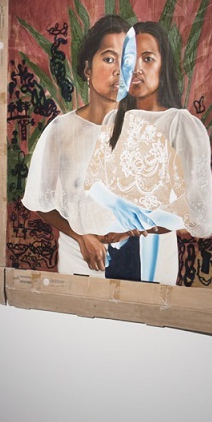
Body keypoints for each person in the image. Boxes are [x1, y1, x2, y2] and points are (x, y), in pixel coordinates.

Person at [84, 20, 212, 283]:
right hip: (110, 251)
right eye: (130, 59)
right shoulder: (113, 122)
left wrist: (132, 228)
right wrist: (114, 209)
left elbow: (195, 209)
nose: (136, 69)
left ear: (163, 65)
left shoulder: (181, 124)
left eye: (148, 59)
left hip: (154, 252)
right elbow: (91, 184)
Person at [20, 15, 131, 275]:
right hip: (79, 258)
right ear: (87, 70)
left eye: (126, 60)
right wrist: (81, 236)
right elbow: (39, 200)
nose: (118, 70)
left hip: (136, 259)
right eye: (108, 58)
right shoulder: (60, 131)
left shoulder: (143, 130)